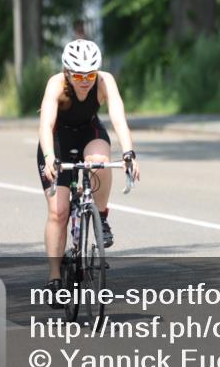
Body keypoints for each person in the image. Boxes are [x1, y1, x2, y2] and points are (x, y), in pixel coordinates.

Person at [36, 39, 141, 302]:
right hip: (58, 139)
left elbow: (118, 117)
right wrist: (49, 156)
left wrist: (128, 153)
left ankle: (101, 217)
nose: (85, 80)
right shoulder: (56, 84)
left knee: (99, 160)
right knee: (58, 212)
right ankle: (54, 276)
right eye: (79, 75)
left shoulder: (105, 82)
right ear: (67, 72)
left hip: (88, 131)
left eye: (90, 74)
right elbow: (46, 124)